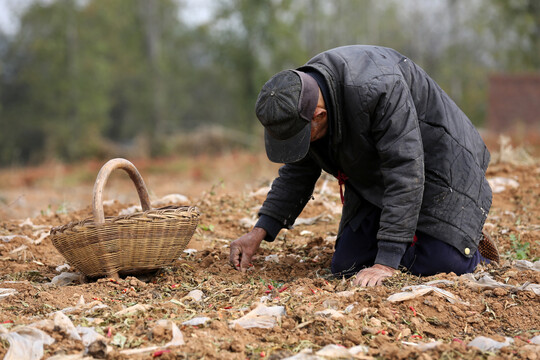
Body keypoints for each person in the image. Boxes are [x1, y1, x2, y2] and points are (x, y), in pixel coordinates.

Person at [229, 45, 498, 287]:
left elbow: (405, 171)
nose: (299, 146)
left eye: (301, 138)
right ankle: (419, 236)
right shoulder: (302, 97)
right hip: (374, 173)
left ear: (319, 116)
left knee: (443, 265)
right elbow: (297, 172)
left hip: (439, 164)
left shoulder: (378, 89)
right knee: (346, 267)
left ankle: (463, 238)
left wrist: (387, 261)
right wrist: (259, 231)